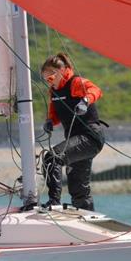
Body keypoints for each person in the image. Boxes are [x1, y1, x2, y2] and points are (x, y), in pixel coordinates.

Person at [40, 52, 106, 211]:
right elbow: (54, 115)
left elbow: (96, 90)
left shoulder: (75, 82)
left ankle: (53, 202)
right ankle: (88, 220)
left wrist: (85, 101)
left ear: (61, 72)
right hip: (76, 139)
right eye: (45, 80)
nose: (49, 83)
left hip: (90, 137)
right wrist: (49, 122)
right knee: (79, 191)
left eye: (50, 78)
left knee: (52, 158)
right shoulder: (53, 91)